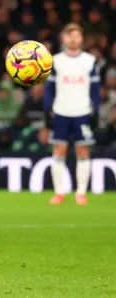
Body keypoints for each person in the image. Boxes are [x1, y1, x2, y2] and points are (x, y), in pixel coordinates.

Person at [44, 23, 100, 205]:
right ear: (64, 39)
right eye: (70, 36)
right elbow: (49, 89)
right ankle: (59, 193)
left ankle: (81, 193)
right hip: (61, 111)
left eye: (76, 36)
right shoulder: (56, 61)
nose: (73, 39)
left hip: (82, 111)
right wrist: (47, 110)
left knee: (83, 151)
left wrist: (96, 110)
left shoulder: (89, 61)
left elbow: (95, 89)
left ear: (81, 38)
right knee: (59, 150)